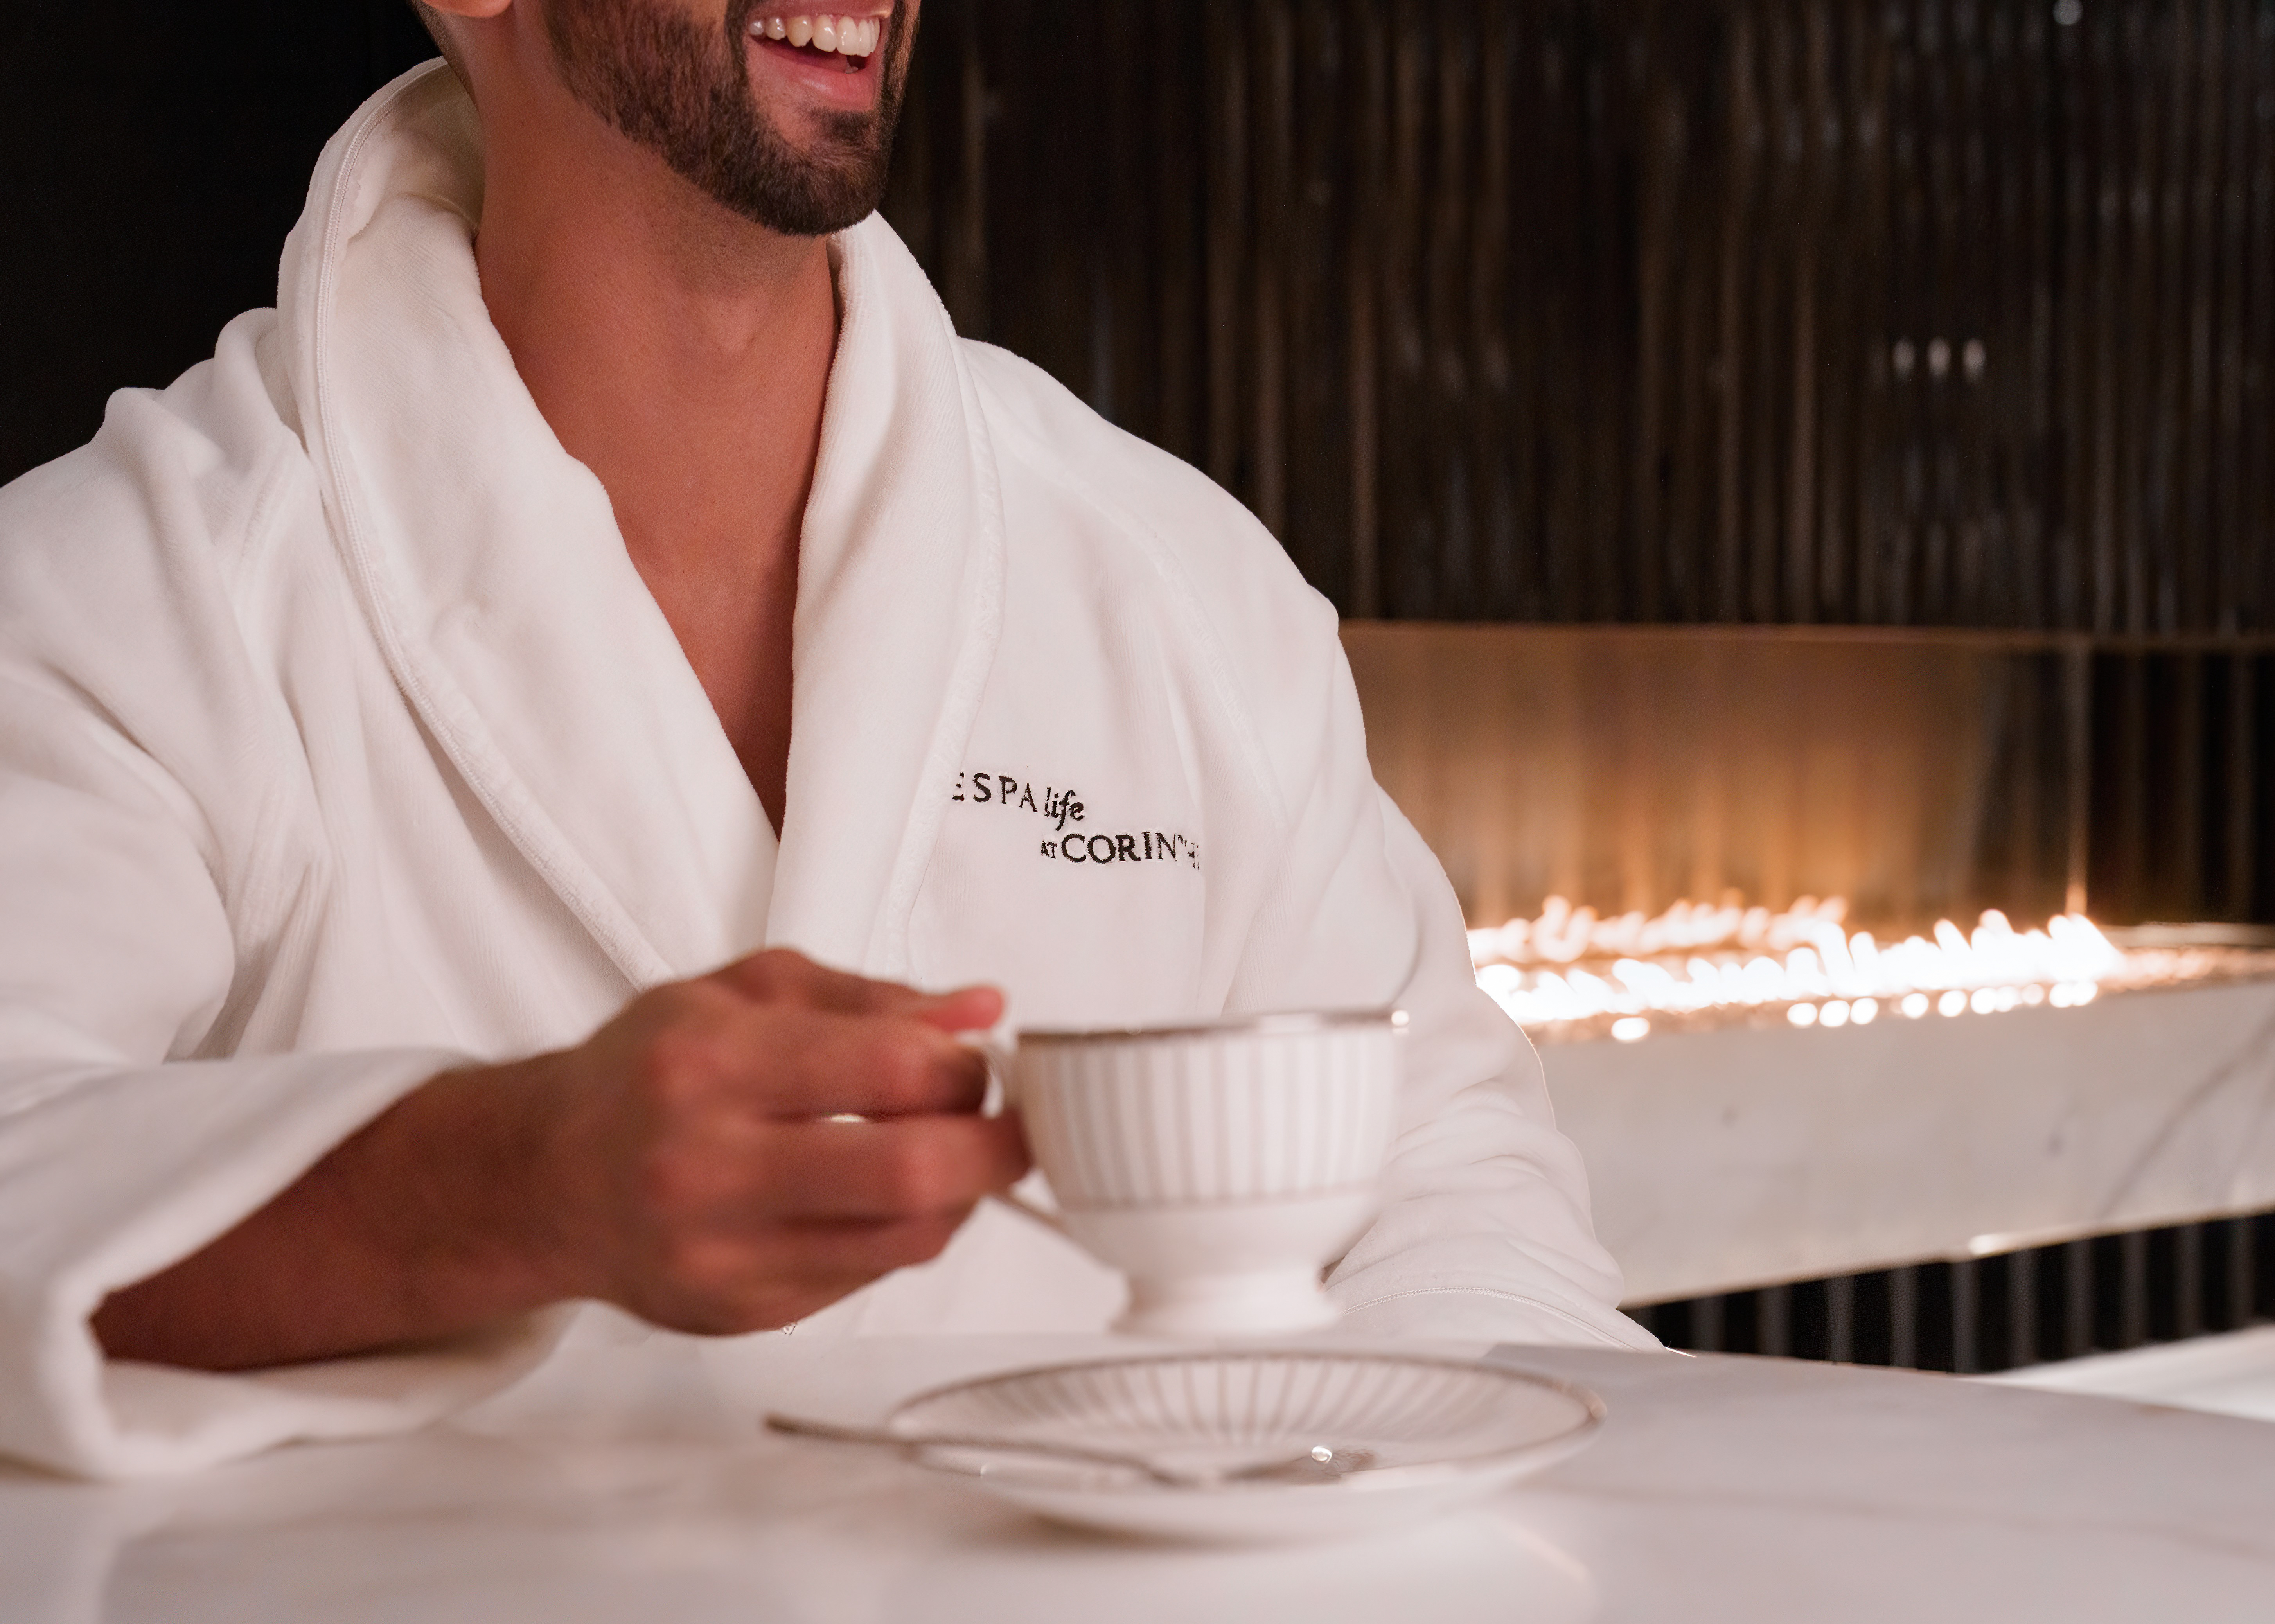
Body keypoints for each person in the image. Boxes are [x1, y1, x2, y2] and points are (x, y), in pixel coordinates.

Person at [0, 0, 1651, 1480]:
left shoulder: (1176, 586)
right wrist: (509, 1182)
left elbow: (1453, 1179)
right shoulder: (133, 595)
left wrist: (1386, 1579)